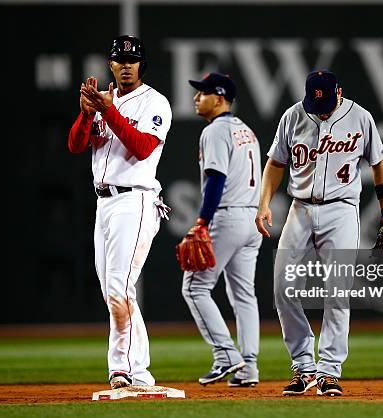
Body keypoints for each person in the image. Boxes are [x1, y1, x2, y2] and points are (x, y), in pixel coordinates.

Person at [255, 70, 383, 396]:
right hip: (300, 208)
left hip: (342, 210)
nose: (320, 110)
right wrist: (263, 203)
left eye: (326, 102)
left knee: (337, 291)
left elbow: (379, 162)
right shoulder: (293, 116)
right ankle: (304, 367)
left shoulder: (360, 117)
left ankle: (329, 371)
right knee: (283, 286)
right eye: (314, 103)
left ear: (338, 92)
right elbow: (276, 163)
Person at [67, 35, 172, 389]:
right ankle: (139, 371)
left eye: (133, 59)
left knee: (119, 288)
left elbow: (142, 148)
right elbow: (77, 145)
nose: (126, 64)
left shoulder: (155, 102)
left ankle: (122, 370)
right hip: (105, 204)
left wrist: (107, 110)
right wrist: (87, 115)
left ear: (142, 64)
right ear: (111, 64)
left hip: (136, 200)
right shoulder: (103, 102)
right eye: (119, 59)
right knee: (116, 291)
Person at [180, 73, 262, 387]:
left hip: (227, 218)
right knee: (244, 295)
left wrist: (202, 221)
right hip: (251, 220)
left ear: (219, 97)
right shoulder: (246, 130)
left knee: (194, 288)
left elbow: (216, 178)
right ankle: (249, 367)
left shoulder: (215, 131)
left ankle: (226, 354)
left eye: (201, 93)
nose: (195, 99)